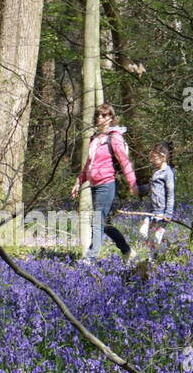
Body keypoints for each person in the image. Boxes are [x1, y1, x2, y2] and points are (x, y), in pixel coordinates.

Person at [70, 102, 140, 262]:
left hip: (107, 184)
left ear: (111, 118)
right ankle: (128, 251)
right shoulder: (95, 139)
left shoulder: (114, 137)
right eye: (97, 115)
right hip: (94, 186)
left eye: (104, 115)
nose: (100, 118)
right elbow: (89, 164)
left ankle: (90, 257)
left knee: (97, 219)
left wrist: (132, 183)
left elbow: (124, 161)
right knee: (105, 224)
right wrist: (78, 182)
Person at [142, 141, 175, 255]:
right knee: (143, 233)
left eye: (154, 157)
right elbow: (151, 187)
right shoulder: (156, 172)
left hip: (162, 212)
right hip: (152, 211)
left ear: (163, 156)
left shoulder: (168, 173)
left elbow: (170, 193)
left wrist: (168, 214)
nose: (152, 160)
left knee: (157, 238)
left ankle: (160, 257)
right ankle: (153, 254)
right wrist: (137, 188)